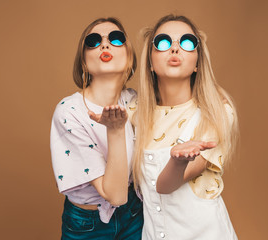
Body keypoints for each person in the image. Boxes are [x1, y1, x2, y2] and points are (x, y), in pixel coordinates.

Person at [129, 14, 239, 239]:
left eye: (187, 42)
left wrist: (178, 162)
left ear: (198, 61)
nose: (175, 49)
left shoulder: (216, 113)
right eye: (163, 42)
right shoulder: (134, 111)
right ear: (150, 61)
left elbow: (165, 186)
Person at [50, 17, 143, 240]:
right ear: (83, 62)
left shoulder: (135, 102)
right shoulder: (69, 112)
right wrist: (116, 130)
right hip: (87, 225)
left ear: (129, 57)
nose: (105, 44)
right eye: (93, 41)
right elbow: (115, 195)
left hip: (134, 214)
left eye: (116, 38)